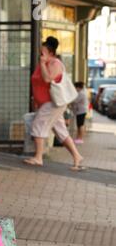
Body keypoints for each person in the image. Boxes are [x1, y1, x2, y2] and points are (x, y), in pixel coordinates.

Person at [24, 36, 85, 171]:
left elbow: (47, 79)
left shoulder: (55, 63)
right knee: (61, 132)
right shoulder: (45, 63)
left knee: (38, 126)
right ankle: (77, 156)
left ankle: (38, 157)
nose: (41, 54)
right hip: (46, 103)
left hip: (52, 103)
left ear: (50, 53)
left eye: (43, 52)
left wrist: (43, 62)